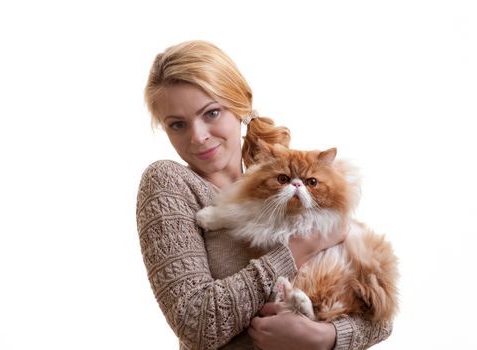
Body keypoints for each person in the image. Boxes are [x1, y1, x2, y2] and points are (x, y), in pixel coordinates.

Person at [136, 40, 393, 349]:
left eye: (212, 113)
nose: (198, 136)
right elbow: (196, 323)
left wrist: (325, 336)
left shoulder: (285, 183)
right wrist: (299, 249)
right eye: (177, 125)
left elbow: (378, 317)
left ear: (241, 107)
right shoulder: (170, 182)